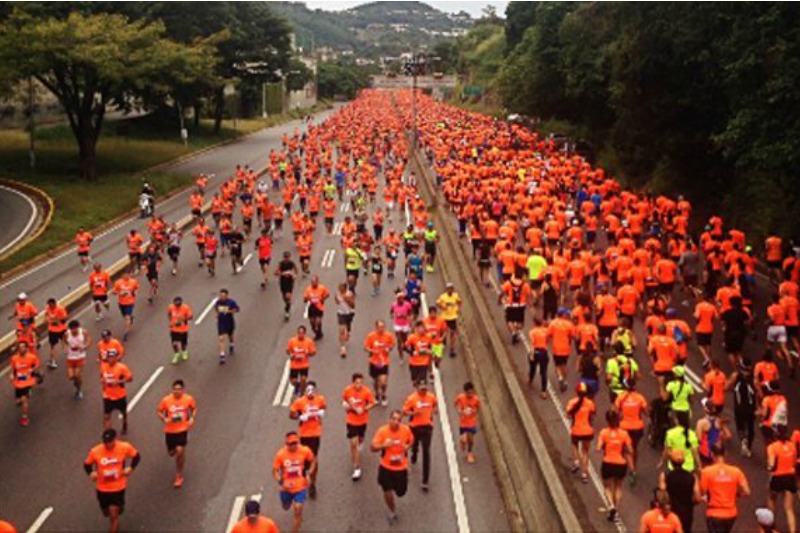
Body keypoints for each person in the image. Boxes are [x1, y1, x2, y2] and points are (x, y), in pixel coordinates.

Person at [84, 429, 140, 533]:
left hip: (118, 487)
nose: (108, 444)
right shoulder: (95, 451)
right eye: (106, 442)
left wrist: (130, 468)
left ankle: (116, 513)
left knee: (114, 515)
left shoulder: (124, 447)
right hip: (102, 488)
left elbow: (136, 457)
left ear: (115, 439)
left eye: (110, 442)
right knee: (106, 512)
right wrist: (91, 473)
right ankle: (112, 509)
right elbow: (87, 465)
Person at [371, 410, 415, 524]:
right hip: (386, 467)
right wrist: (383, 445)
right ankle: (392, 511)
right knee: (387, 491)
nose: (396, 422)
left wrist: (408, 446)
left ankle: (397, 487)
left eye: (398, 420)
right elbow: (372, 447)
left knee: (401, 492)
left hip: (400, 468)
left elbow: (412, 439)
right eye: (393, 419)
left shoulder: (405, 430)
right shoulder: (382, 431)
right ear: (389, 419)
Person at [699, 443, 750, 533]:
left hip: (714, 514)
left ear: (712, 454)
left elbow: (702, 492)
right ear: (725, 453)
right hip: (731, 514)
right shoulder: (736, 471)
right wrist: (736, 494)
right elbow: (747, 491)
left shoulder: (706, 472)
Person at [272, 431, 316, 533]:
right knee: (286, 507)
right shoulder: (281, 454)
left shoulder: (305, 451)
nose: (293, 445)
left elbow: (313, 461)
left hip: (300, 486)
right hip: (286, 488)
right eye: (291, 444)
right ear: (286, 444)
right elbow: (274, 471)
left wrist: (309, 473)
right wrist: (282, 482)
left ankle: (296, 528)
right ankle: (289, 505)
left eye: (295, 443)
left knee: (298, 508)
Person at [289, 381, 326, 499]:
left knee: (314, 458)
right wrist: (300, 417)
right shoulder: (300, 402)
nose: (310, 392)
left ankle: (313, 484)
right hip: (304, 434)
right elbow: (291, 414)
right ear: (305, 391)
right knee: (305, 459)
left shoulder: (320, 399)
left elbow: (324, 407)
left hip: (316, 433)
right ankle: (305, 474)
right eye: (308, 390)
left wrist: (321, 412)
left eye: (312, 390)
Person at [156, 379, 196, 488]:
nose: (176, 391)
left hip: (182, 430)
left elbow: (193, 408)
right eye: (175, 389)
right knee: (172, 452)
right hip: (170, 431)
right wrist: (164, 418)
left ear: (183, 390)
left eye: (179, 389)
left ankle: (179, 474)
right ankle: (174, 452)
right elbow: (159, 411)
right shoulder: (166, 400)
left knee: (180, 451)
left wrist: (192, 418)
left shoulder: (188, 399)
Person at [598, 410, 633, 522]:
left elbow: (598, 448)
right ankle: (615, 509)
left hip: (607, 462)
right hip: (620, 464)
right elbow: (630, 450)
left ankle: (611, 507)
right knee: (618, 487)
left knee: (607, 487)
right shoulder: (624, 434)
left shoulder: (604, 432)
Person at [403, 380, 437, 491]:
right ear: (417, 388)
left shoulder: (431, 397)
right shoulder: (411, 398)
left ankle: (425, 480)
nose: (423, 391)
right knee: (414, 444)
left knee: (426, 452)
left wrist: (434, 411)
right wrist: (414, 413)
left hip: (427, 428)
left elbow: (435, 406)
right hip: (414, 427)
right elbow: (404, 412)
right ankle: (414, 453)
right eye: (421, 389)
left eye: (425, 389)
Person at [342, 373, 376, 480]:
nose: (359, 385)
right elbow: (344, 400)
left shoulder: (366, 391)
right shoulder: (348, 390)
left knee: (360, 439)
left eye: (361, 382)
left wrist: (364, 409)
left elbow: (373, 403)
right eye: (357, 382)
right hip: (351, 420)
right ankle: (357, 467)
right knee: (354, 443)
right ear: (353, 383)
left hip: (362, 420)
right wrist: (345, 405)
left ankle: (361, 441)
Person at [659, 449, 699, 533]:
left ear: (671, 461)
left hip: (670, 512)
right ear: (684, 461)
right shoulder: (692, 477)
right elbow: (697, 498)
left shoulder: (665, 475)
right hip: (686, 513)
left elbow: (662, 495)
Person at [766, 425, 796, 533]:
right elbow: (793, 462)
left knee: (771, 499)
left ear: (776, 435)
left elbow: (771, 465)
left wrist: (769, 468)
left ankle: (772, 527)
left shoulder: (772, 447)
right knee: (789, 507)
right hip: (790, 477)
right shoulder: (792, 446)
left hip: (778, 477)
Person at [567, 382, 595, 483]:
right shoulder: (590, 403)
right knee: (585, 452)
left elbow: (568, 415)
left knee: (574, 445)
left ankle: (576, 461)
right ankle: (584, 474)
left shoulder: (572, 402)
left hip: (576, 429)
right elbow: (592, 415)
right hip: (587, 430)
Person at [101, 350, 133, 435]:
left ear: (116, 358)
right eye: (109, 357)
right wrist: (103, 382)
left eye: (112, 357)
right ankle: (108, 433)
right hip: (107, 396)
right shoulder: (103, 366)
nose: (110, 359)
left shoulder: (122, 367)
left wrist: (118, 381)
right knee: (106, 416)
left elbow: (130, 378)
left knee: (123, 412)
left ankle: (124, 424)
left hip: (120, 396)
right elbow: (102, 376)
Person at [364, 320, 396, 406]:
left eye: (383, 327)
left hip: (384, 362)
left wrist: (389, 349)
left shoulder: (388, 336)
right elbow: (366, 347)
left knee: (383, 382)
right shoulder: (371, 336)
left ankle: (384, 394)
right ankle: (377, 394)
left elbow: (392, 345)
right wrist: (372, 351)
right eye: (379, 327)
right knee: (375, 381)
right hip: (374, 362)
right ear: (376, 327)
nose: (381, 329)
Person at [730, 357, 757, 457]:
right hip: (751, 407)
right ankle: (748, 447)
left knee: (740, 426)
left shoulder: (735, 376)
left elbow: (727, 386)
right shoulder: (753, 379)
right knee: (750, 427)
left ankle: (743, 440)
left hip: (739, 407)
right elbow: (758, 392)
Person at [9, 341, 40, 427]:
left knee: (24, 399)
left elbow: (37, 364)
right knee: (19, 398)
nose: (21, 349)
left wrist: (32, 369)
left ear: (26, 348)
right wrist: (11, 375)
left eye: (23, 347)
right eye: (20, 347)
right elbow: (13, 368)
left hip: (28, 381)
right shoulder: (14, 358)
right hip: (18, 382)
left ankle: (25, 417)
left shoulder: (32, 357)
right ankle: (22, 396)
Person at [455, 382, 481, 464]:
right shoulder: (461, 397)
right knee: (464, 439)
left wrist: (474, 411)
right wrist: (460, 411)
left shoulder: (476, 399)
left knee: (471, 439)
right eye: (468, 393)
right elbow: (456, 404)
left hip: (471, 422)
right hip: (463, 423)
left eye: (472, 392)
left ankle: (469, 453)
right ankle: (462, 442)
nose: (470, 394)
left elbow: (478, 408)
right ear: (465, 392)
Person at [287, 326, 316, 396]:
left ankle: (302, 394)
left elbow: (313, 352)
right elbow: (288, 350)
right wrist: (291, 355)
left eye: (302, 333)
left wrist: (308, 353)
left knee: (303, 379)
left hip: (304, 364)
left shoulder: (308, 341)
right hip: (294, 365)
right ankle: (298, 385)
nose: (300, 334)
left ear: (305, 333)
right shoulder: (292, 341)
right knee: (293, 381)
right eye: (299, 333)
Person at [65, 319, 90, 400]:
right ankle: (77, 384)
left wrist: (84, 347)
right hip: (70, 357)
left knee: (77, 374)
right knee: (71, 377)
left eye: (75, 329)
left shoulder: (83, 332)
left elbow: (89, 341)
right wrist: (65, 348)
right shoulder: (67, 334)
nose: (74, 331)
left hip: (80, 356)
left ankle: (79, 390)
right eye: (72, 329)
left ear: (78, 328)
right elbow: (64, 341)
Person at [436, 283, 461, 358]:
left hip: (453, 317)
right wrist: (442, 307)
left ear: (453, 289)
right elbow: (437, 303)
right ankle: (443, 341)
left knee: (452, 333)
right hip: (444, 317)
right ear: (446, 289)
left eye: (451, 288)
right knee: (443, 332)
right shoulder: (443, 297)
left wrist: (457, 309)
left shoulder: (455, 296)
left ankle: (452, 349)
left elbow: (459, 302)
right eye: (448, 289)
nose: (450, 290)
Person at [112, 272, 139, 341]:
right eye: (125, 275)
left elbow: (137, 289)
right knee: (125, 316)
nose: (127, 276)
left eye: (128, 275)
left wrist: (135, 292)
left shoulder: (133, 282)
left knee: (127, 318)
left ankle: (126, 332)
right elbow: (113, 292)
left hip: (130, 302)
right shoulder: (118, 283)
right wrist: (120, 293)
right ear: (122, 275)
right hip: (121, 303)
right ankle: (131, 317)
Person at [215, 288, 240, 364]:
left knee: (230, 336)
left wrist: (229, 311)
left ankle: (231, 344)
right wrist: (217, 314)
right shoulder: (218, 302)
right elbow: (216, 309)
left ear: (227, 296)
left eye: (223, 296)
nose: (221, 297)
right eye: (220, 295)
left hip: (229, 322)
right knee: (221, 338)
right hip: (221, 322)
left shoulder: (231, 302)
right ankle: (222, 356)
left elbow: (237, 309)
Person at [166, 296, 193, 365]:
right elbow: (169, 314)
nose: (177, 305)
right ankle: (176, 354)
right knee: (174, 343)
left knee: (183, 343)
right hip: (174, 329)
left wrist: (183, 320)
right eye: (176, 304)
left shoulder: (185, 308)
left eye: (178, 304)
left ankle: (184, 352)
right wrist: (171, 322)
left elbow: (190, 316)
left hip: (183, 329)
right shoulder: (171, 307)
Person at [528, 317, 550, 399]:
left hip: (536, 351)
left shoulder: (532, 332)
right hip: (543, 352)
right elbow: (547, 340)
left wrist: (532, 355)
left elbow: (532, 344)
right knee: (543, 372)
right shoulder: (546, 331)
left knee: (532, 368)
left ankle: (530, 381)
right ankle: (543, 391)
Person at [43, 297, 68, 370]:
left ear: (55, 304)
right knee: (52, 346)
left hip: (61, 329)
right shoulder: (47, 308)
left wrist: (57, 321)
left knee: (66, 341)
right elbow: (46, 315)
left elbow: (65, 318)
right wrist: (47, 320)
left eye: (51, 305)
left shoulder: (60, 309)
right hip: (52, 330)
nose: (50, 307)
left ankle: (71, 352)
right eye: (49, 305)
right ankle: (53, 361)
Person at [303, 276, 330, 340]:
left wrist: (323, 298)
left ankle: (318, 331)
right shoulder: (308, 289)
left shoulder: (322, 288)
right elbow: (305, 299)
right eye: (312, 282)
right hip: (311, 307)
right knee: (312, 323)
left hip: (319, 307)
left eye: (315, 282)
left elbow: (327, 294)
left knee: (317, 322)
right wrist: (306, 299)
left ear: (317, 282)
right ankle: (318, 334)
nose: (313, 284)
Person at [276, 251, 298, 320]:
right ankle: (287, 305)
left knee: (288, 296)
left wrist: (294, 275)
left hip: (289, 281)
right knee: (284, 297)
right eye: (285, 257)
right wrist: (282, 273)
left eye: (288, 257)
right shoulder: (281, 264)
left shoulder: (291, 263)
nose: (287, 259)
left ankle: (287, 312)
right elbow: (276, 272)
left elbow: (296, 270)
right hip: (283, 281)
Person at [336, 282, 356, 358]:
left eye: (341, 288)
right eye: (339, 288)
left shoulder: (349, 294)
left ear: (345, 288)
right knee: (341, 329)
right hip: (341, 313)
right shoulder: (337, 294)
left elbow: (353, 305)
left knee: (347, 327)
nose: (340, 290)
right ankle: (343, 348)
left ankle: (348, 331)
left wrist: (347, 299)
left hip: (349, 313)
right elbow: (337, 302)